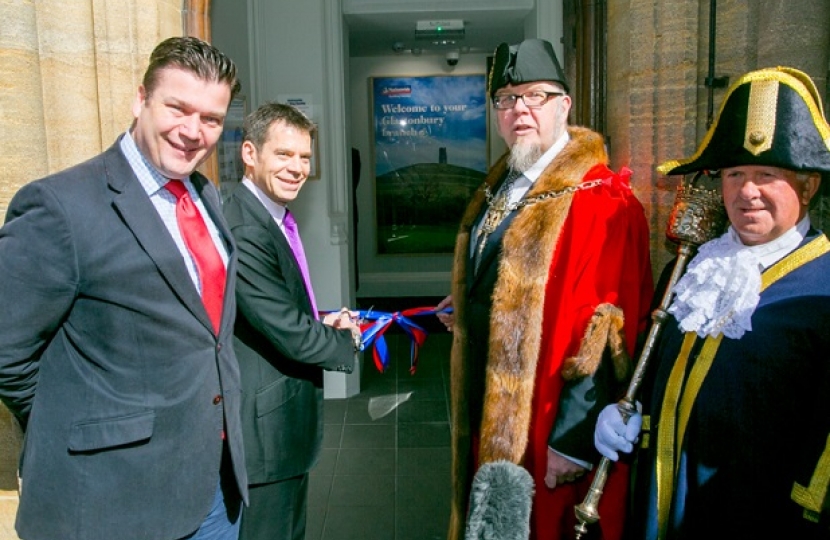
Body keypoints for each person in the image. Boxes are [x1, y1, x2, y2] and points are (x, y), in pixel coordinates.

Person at [0, 36, 247, 540]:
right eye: (177, 108)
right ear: (140, 100)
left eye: (211, 119)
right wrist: (77, 424)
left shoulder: (205, 196)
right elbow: (6, 350)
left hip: (214, 490)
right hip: (111, 502)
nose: (192, 132)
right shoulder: (61, 206)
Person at [594, 66, 830, 539]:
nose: (746, 191)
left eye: (767, 174)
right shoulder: (691, 267)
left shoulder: (823, 288)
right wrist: (623, 408)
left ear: (808, 186)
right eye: (734, 173)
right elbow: (652, 362)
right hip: (660, 503)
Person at [438, 38, 654, 540]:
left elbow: (609, 329)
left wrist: (574, 440)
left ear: (564, 105)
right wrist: (470, 302)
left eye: (535, 96)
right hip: (488, 400)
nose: (520, 110)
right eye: (507, 99)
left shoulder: (604, 203)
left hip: (547, 417)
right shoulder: (504, 183)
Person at [222, 102, 361, 540]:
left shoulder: (272, 216)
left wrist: (322, 320)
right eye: (284, 154)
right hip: (266, 434)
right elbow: (287, 331)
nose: (297, 168)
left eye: (304, 157)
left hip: (283, 432)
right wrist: (347, 341)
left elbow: (273, 308)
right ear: (250, 153)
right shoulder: (244, 226)